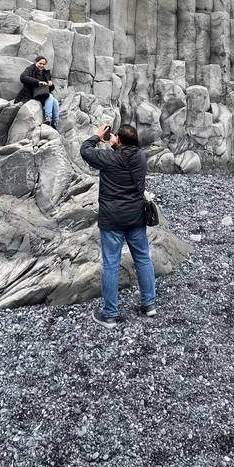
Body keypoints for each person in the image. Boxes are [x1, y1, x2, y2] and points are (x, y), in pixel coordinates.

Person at [80, 123, 157, 328]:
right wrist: (115, 144)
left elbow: (85, 151)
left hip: (113, 219)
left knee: (111, 263)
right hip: (135, 217)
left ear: (120, 141)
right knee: (142, 258)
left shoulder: (110, 159)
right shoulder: (140, 156)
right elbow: (127, 155)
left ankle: (110, 314)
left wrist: (97, 136)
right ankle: (149, 305)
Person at [17, 55, 60, 130]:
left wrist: (51, 84)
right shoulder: (30, 69)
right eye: (40, 63)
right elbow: (23, 77)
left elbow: (51, 89)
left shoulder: (46, 73)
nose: (42, 65)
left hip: (42, 94)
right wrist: (38, 82)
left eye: (43, 64)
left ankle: (55, 123)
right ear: (35, 62)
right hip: (31, 94)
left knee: (55, 101)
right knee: (50, 97)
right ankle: (48, 119)